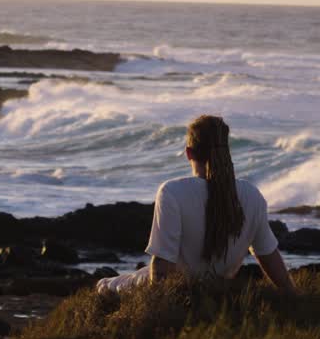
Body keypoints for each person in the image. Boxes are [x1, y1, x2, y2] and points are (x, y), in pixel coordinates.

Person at [96, 114, 296, 294]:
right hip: (217, 290)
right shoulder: (252, 195)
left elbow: (162, 263)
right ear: (227, 151)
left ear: (189, 153)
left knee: (105, 286)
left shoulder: (172, 192)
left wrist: (156, 308)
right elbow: (268, 255)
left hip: (174, 290)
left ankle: (105, 283)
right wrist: (291, 293)